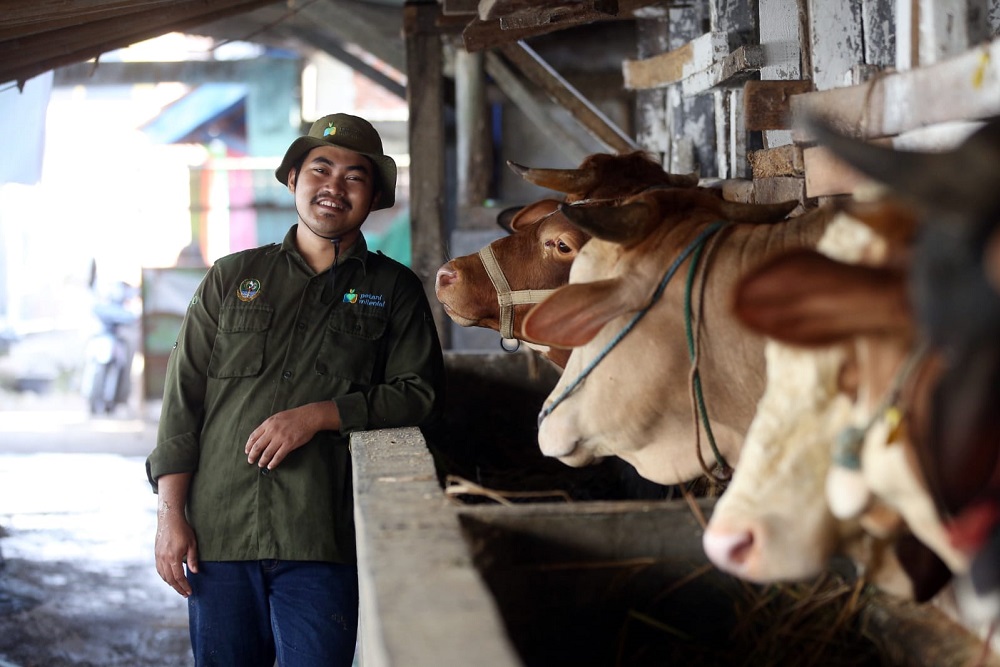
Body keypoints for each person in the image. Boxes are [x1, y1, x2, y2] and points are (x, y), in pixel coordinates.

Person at [146, 112, 446, 666]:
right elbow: (182, 401)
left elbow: (420, 393)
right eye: (320, 169)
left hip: (321, 537)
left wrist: (320, 414)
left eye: (355, 176)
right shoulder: (231, 278)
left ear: (374, 194)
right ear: (292, 179)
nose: (335, 187)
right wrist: (171, 515)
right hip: (221, 533)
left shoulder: (394, 289)